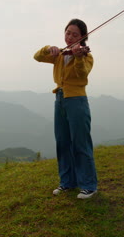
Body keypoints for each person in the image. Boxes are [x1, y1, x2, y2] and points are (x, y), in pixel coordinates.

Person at [33, 19, 98, 199]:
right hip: (60, 99)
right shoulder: (59, 54)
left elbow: (82, 74)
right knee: (62, 142)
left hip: (77, 100)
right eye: (68, 33)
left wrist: (77, 57)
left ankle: (89, 185)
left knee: (80, 142)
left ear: (83, 37)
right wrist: (48, 48)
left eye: (75, 34)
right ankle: (67, 182)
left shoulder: (86, 56)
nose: (70, 37)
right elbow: (37, 57)